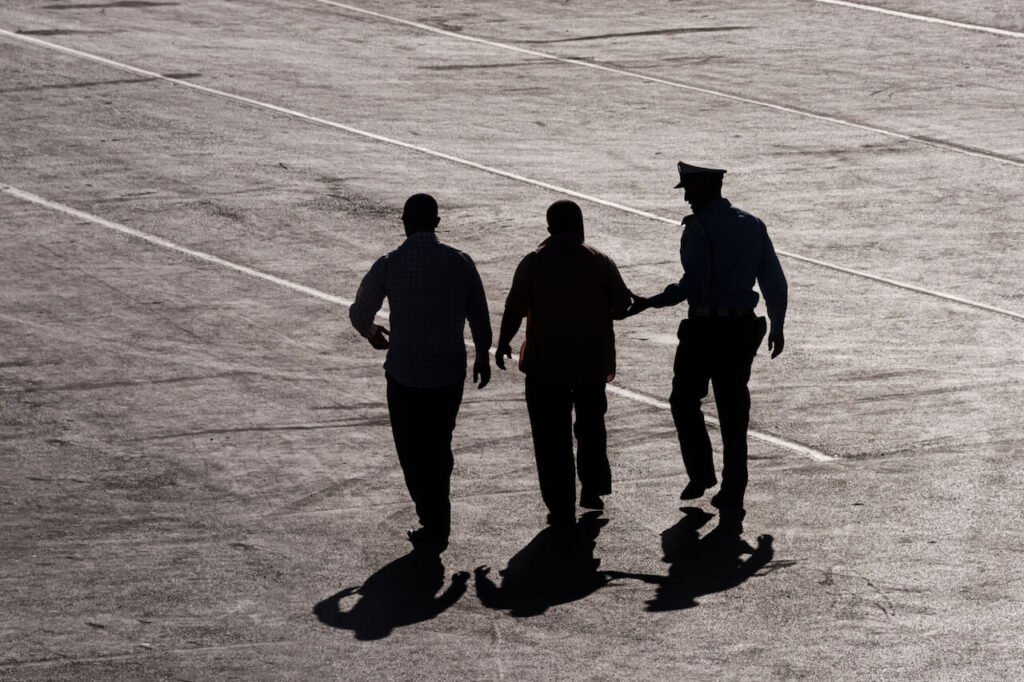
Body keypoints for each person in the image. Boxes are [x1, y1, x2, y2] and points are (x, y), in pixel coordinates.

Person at [627, 162, 787, 533]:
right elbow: (773, 281)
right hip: (742, 329)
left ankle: (701, 474)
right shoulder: (752, 224)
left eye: (688, 190)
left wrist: (650, 302)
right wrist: (777, 325)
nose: (685, 197)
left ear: (703, 190)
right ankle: (734, 487)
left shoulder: (698, 227)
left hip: (705, 328)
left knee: (684, 400)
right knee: (734, 409)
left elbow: (693, 283)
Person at [349, 193, 492, 550]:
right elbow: (480, 315)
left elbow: (359, 313)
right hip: (448, 372)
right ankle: (438, 516)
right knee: (439, 444)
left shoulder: (390, 263)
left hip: (405, 374)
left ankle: (431, 518)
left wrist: (372, 333)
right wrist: (483, 357)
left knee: (411, 449)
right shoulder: (460, 262)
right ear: (437, 223)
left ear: (404, 222)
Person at [496, 200, 632, 526]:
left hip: (546, 365)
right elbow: (622, 304)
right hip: (590, 364)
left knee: (550, 436)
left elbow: (515, 308)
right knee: (591, 428)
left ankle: (560, 504)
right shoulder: (598, 260)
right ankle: (593, 487)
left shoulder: (533, 262)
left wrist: (502, 343)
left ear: (549, 227)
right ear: (579, 225)